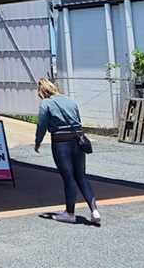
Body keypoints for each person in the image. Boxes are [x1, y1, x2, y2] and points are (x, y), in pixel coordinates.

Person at [34, 78, 101, 224]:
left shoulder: (46, 103)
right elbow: (78, 120)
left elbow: (42, 124)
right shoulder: (71, 101)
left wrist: (37, 142)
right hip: (78, 140)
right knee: (81, 176)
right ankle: (94, 210)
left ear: (42, 91)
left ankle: (70, 213)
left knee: (69, 177)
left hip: (60, 142)